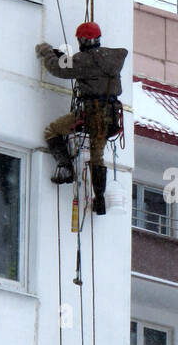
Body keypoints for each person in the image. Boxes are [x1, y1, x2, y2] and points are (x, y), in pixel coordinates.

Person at [36, 22, 128, 214]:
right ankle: (100, 199)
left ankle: (66, 167)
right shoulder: (112, 58)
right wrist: (65, 58)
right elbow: (78, 65)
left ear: (82, 40)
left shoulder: (83, 60)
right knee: (97, 157)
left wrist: (47, 52)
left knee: (52, 130)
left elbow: (59, 69)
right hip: (111, 117)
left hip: (90, 116)